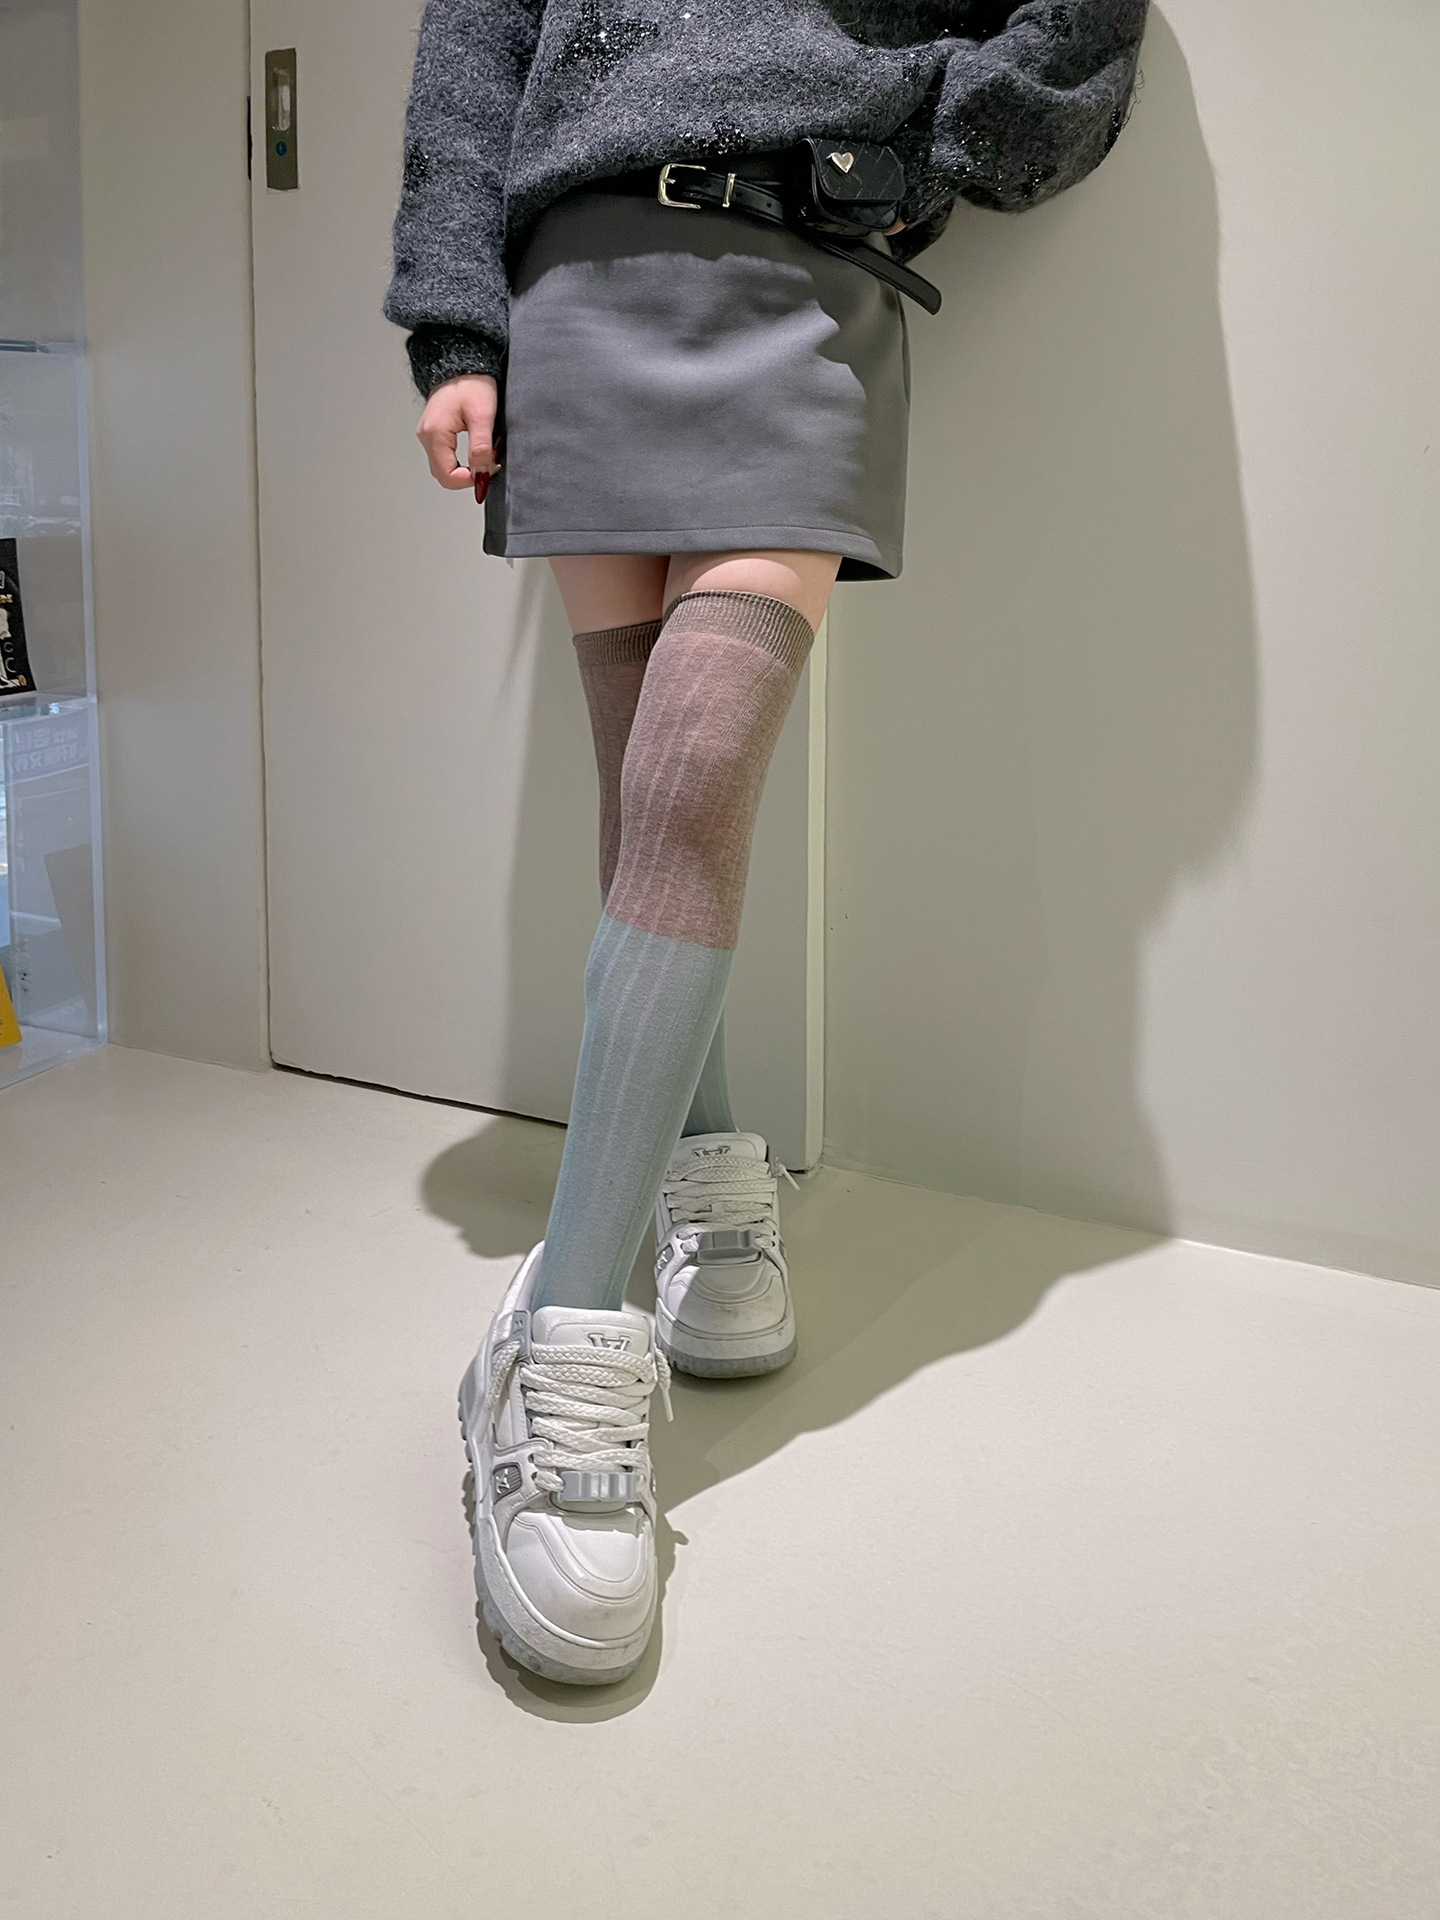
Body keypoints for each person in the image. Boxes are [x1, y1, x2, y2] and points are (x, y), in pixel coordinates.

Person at [386, 0, 1148, 1685]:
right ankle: (706, 1167)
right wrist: (455, 327)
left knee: (698, 773)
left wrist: (927, 139)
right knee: (646, 785)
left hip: (811, 276)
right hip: (580, 282)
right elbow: (475, 42)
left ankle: (559, 1337)